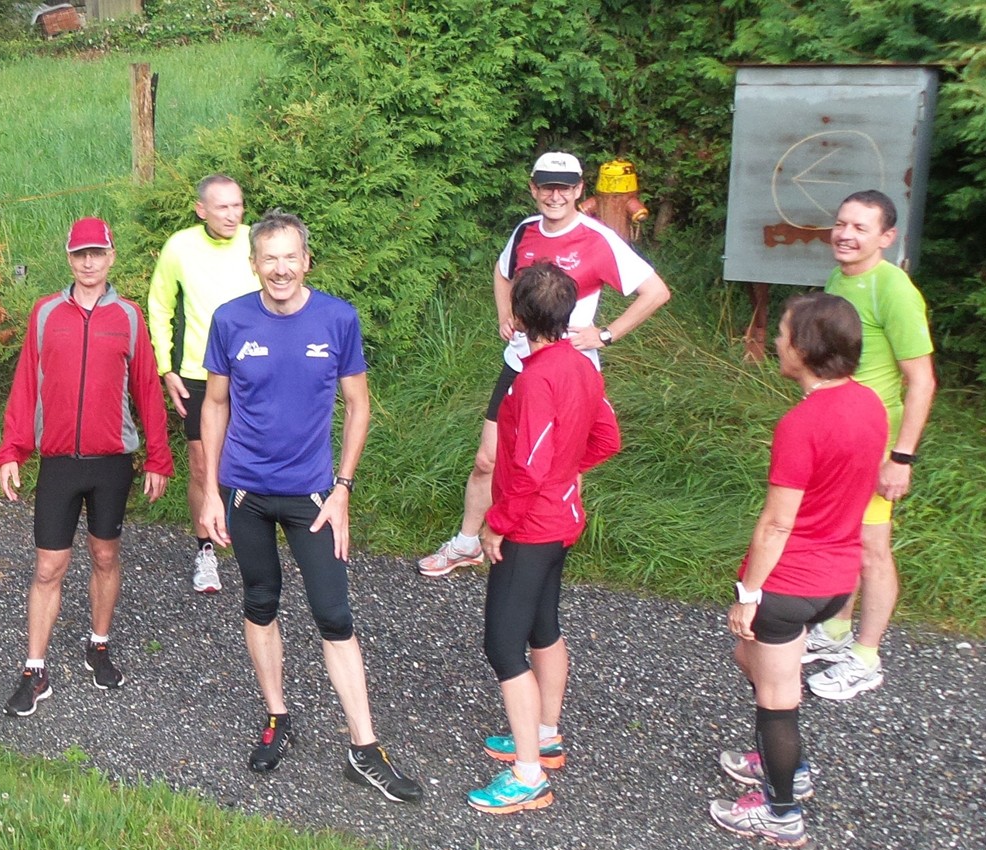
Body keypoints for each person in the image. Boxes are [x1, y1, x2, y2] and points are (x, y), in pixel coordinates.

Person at [196, 211, 421, 803]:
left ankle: (364, 747)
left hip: (314, 496)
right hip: (245, 491)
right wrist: (213, 492)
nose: (280, 268)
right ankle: (277, 716)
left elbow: (359, 405)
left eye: (289, 257)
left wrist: (343, 487)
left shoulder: (337, 318)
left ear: (306, 261)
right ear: (253, 264)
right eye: (268, 258)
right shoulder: (230, 320)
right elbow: (214, 405)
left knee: (333, 614)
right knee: (260, 601)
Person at [417, 152, 670, 578]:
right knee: (487, 459)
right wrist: (504, 316)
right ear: (533, 188)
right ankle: (466, 544)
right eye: (547, 186)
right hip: (520, 362)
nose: (556, 195)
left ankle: (551, 542)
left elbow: (656, 291)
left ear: (579, 191)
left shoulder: (597, 238)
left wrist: (604, 335)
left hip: (569, 368)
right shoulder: (524, 231)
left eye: (565, 187)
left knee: (560, 461)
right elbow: (502, 275)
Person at [711, 292, 886, 848]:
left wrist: (749, 593)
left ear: (805, 348)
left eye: (783, 333)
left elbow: (775, 525)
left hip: (790, 584)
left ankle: (781, 809)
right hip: (839, 579)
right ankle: (780, 758)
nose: (777, 341)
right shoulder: (871, 405)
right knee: (754, 660)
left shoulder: (800, 424)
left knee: (777, 696)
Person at [0, 218, 172, 716]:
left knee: (105, 557)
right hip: (59, 464)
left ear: (111, 256)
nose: (89, 262)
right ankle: (35, 670)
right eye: (80, 254)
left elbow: (147, 392)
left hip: (111, 462)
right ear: (68, 258)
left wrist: (158, 456)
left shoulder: (129, 317)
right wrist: (12, 450)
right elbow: (27, 383)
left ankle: (98, 643)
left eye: (97, 253)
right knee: (49, 566)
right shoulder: (47, 313)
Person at [466, 263, 622, 815]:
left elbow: (529, 470)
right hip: (563, 521)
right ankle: (546, 733)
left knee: (503, 645)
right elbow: (607, 436)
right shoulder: (581, 364)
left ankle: (527, 775)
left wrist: (495, 524)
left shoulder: (533, 380)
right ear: (568, 313)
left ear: (519, 315)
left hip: (530, 527)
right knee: (543, 627)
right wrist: (567, 473)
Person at [803, 190, 938, 701]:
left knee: (871, 548)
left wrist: (901, 458)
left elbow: (921, 380)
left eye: (861, 228)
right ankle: (836, 633)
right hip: (840, 436)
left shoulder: (893, 289)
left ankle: (866, 657)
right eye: (841, 223)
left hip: (876, 443)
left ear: (886, 237)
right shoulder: (840, 278)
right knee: (842, 537)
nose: (846, 234)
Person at [148, 173, 259, 594]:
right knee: (202, 466)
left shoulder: (256, 240)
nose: (233, 214)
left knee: (250, 461)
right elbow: (159, 304)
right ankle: (206, 551)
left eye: (238, 205)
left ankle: (252, 541)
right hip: (197, 372)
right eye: (223, 207)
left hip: (253, 370)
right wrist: (165, 367)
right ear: (202, 210)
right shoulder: (180, 246)